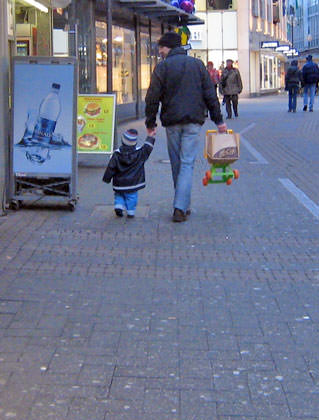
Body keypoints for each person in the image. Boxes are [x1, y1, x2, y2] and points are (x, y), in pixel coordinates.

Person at [145, 32, 227, 223]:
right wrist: (219, 120)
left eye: (162, 48)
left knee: (177, 164)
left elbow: (152, 97)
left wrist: (150, 123)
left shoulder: (162, 67)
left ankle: (181, 206)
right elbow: (210, 95)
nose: (160, 52)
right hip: (193, 121)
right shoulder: (197, 65)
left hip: (172, 122)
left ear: (169, 47)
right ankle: (182, 205)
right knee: (187, 164)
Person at [102, 128, 155, 218]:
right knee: (132, 197)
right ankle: (130, 212)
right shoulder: (139, 153)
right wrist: (150, 137)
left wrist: (107, 178)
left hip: (119, 183)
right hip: (133, 184)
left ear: (122, 141)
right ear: (135, 142)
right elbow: (147, 148)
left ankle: (118, 206)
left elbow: (111, 168)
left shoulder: (116, 154)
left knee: (119, 195)